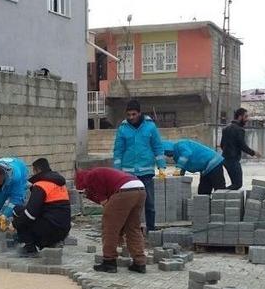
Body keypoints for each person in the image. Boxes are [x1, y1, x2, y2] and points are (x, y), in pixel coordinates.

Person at [74, 167, 147, 273]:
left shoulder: (91, 177)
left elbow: (105, 203)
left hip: (124, 191)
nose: (84, 192)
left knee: (109, 227)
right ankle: (140, 263)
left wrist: (118, 232)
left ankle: (109, 262)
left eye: (83, 190)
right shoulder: (100, 174)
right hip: (140, 188)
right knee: (133, 227)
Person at [113, 99, 166, 232]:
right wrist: (117, 171)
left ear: (140, 113)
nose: (131, 117)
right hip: (128, 173)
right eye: (129, 115)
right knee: (127, 203)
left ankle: (151, 229)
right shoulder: (123, 129)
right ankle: (127, 230)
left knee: (149, 203)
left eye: (134, 114)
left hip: (146, 172)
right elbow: (118, 151)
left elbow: (157, 147)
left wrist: (161, 167)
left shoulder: (150, 127)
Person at [12, 158, 72, 257]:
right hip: (63, 229)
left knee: (18, 211)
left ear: (37, 170)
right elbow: (47, 207)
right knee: (31, 213)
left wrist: (14, 224)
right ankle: (50, 243)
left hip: (49, 229)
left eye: (33, 171)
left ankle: (30, 247)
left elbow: (30, 215)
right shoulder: (59, 184)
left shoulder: (41, 185)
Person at [162, 139, 226, 195]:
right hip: (205, 169)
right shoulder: (176, 156)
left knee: (219, 189)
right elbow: (183, 166)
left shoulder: (180, 145)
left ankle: (221, 206)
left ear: (168, 149)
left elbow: (186, 154)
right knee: (203, 192)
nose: (167, 155)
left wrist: (178, 168)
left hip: (213, 163)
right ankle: (204, 207)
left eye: (166, 153)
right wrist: (178, 177)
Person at [220, 108, 260, 190]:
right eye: (245, 117)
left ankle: (221, 195)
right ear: (239, 117)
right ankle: (219, 194)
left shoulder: (226, 128)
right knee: (237, 184)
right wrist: (254, 153)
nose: (247, 119)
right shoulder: (239, 130)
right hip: (233, 160)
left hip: (225, 159)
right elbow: (242, 146)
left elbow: (222, 145)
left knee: (235, 184)